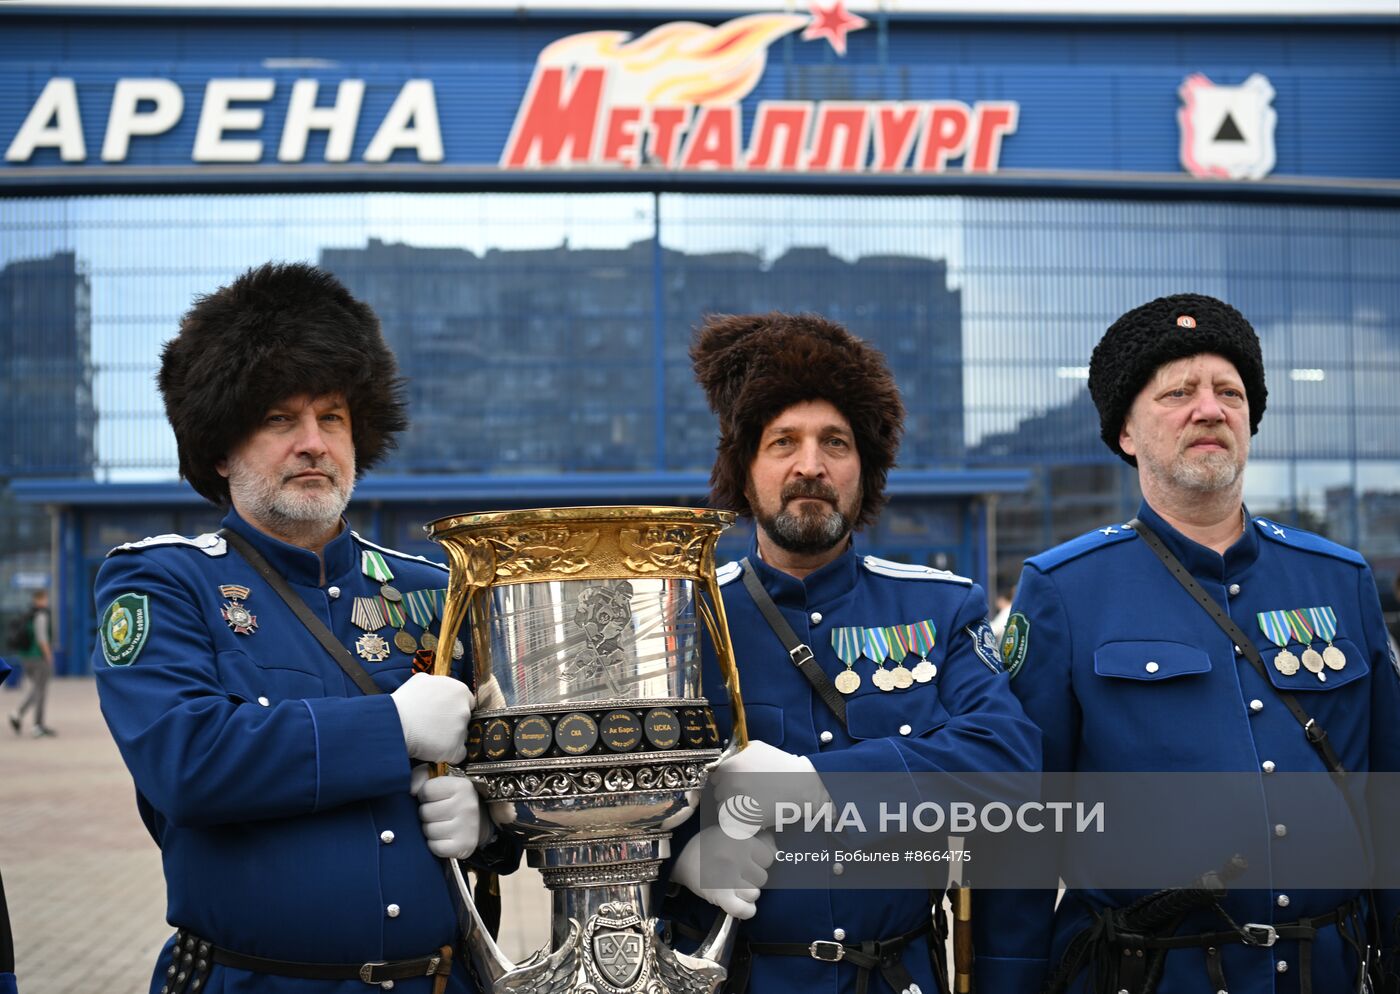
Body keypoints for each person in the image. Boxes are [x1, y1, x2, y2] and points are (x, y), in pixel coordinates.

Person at [93, 263, 507, 994]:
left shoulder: (434, 589)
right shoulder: (162, 582)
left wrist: (491, 819)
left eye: (333, 418)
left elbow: (512, 762)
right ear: (222, 450)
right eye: (280, 419)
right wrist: (390, 729)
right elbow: (187, 764)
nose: (313, 442)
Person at [974, 293, 1400, 993]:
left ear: (1250, 422)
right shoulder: (1064, 589)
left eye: (1229, 393)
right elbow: (1020, 825)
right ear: (1126, 434)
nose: (1210, 409)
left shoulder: (1339, 580)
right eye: (1178, 392)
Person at [667, 312, 1041, 994]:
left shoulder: (940, 608)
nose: (811, 464)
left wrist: (818, 783)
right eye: (783, 442)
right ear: (744, 474)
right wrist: (678, 862)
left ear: (864, 472)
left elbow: (1009, 765)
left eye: (835, 443)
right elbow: (605, 800)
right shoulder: (680, 620)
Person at [8, 589, 55, 738]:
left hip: (25, 657)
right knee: (41, 690)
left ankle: (18, 714)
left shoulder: (28, 614)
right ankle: (37, 725)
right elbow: (42, 638)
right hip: (38, 658)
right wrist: (48, 655)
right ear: (41, 599)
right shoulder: (41, 614)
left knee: (37, 688)